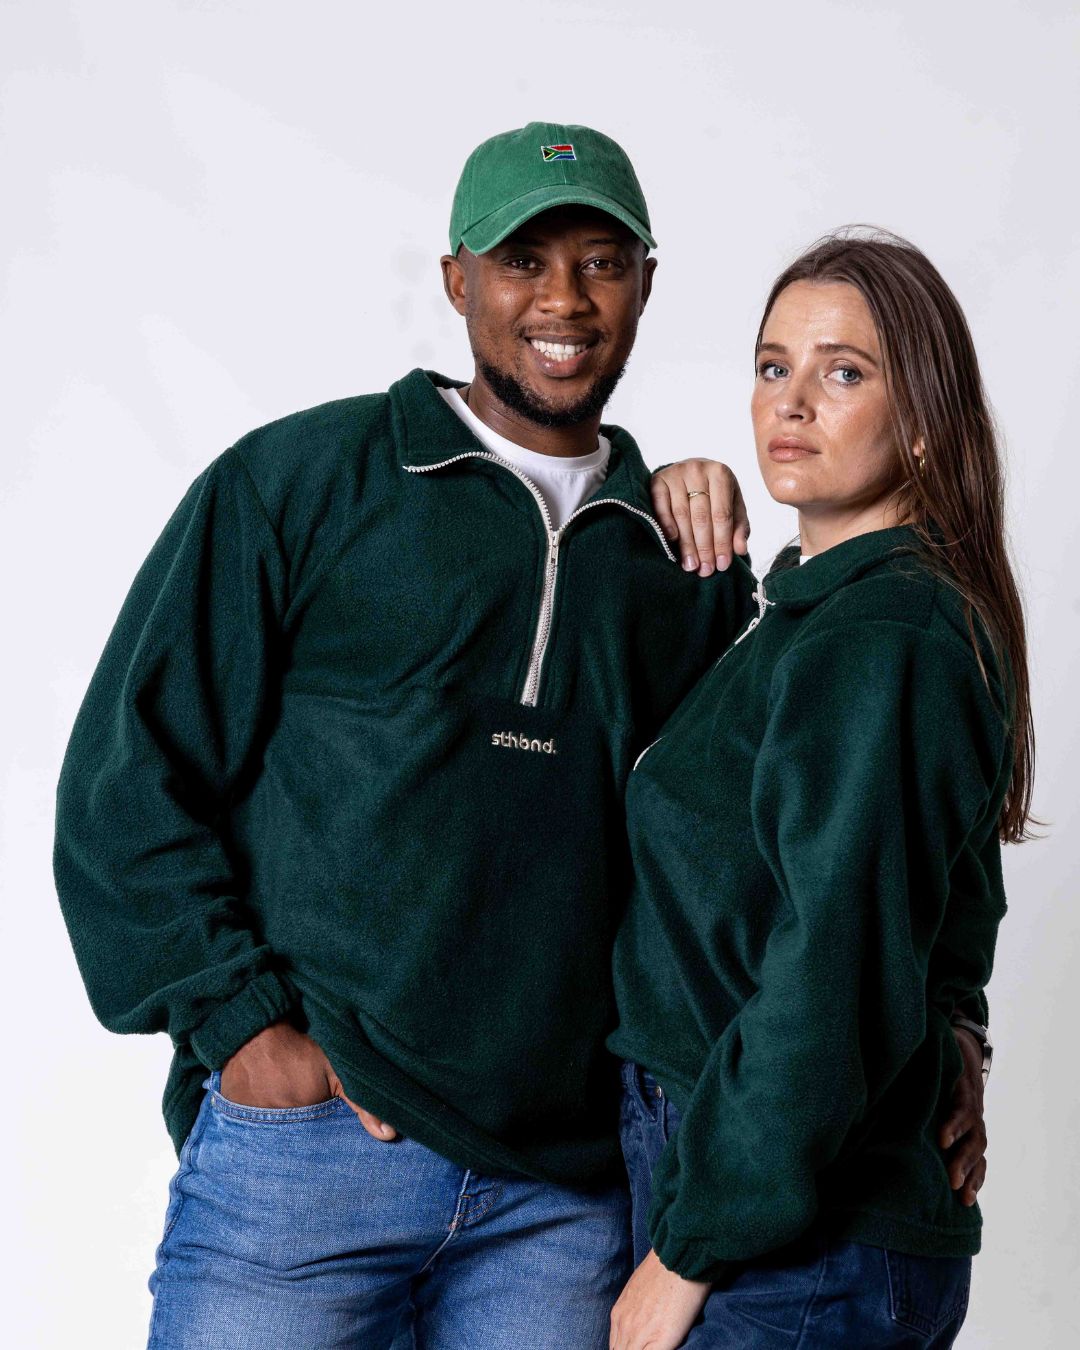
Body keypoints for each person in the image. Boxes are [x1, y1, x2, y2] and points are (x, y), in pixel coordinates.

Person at [52, 121, 761, 1350]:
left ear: (648, 284)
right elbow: (129, 776)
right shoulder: (304, 480)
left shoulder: (678, 563)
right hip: (312, 1159)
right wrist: (241, 1028)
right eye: (521, 262)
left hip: (561, 1200)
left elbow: (746, 851)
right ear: (456, 281)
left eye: (601, 262)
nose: (563, 300)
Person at [607, 229, 1031, 1349]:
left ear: (925, 420)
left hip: (793, 1250)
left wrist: (690, 1254)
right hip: (776, 1217)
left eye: (844, 372)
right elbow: (948, 897)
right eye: (772, 365)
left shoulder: (885, 635)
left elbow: (826, 972)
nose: (792, 401)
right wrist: (961, 1031)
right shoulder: (817, 619)